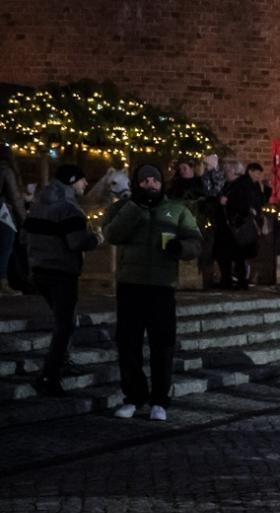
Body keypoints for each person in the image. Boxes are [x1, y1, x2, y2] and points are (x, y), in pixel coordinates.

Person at [103, 164, 201, 421]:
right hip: (130, 284)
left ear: (161, 184)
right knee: (128, 344)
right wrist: (133, 208)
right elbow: (111, 234)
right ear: (137, 183)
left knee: (162, 345)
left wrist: (182, 248)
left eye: (154, 180)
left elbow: (195, 241)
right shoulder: (123, 208)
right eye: (145, 180)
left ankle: (159, 400)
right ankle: (134, 397)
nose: (150, 184)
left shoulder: (177, 210)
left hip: (162, 286)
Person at [22, 164, 99, 396]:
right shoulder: (69, 210)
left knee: (61, 320)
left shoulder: (37, 206)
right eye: (82, 180)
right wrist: (96, 239)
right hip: (62, 273)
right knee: (64, 325)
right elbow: (76, 242)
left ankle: (61, 362)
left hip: (39, 271)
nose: (86, 184)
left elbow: (25, 238)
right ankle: (49, 375)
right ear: (72, 181)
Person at [218, 162, 267, 289]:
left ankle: (239, 280)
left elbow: (254, 203)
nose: (258, 176)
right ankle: (234, 280)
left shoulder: (248, 185)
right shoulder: (238, 184)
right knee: (235, 254)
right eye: (256, 173)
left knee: (239, 254)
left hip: (242, 223)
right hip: (236, 223)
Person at [0, 141, 25, 295]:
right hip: (3, 214)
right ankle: (3, 283)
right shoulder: (5, 170)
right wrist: (23, 220)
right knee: (5, 249)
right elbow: (15, 197)